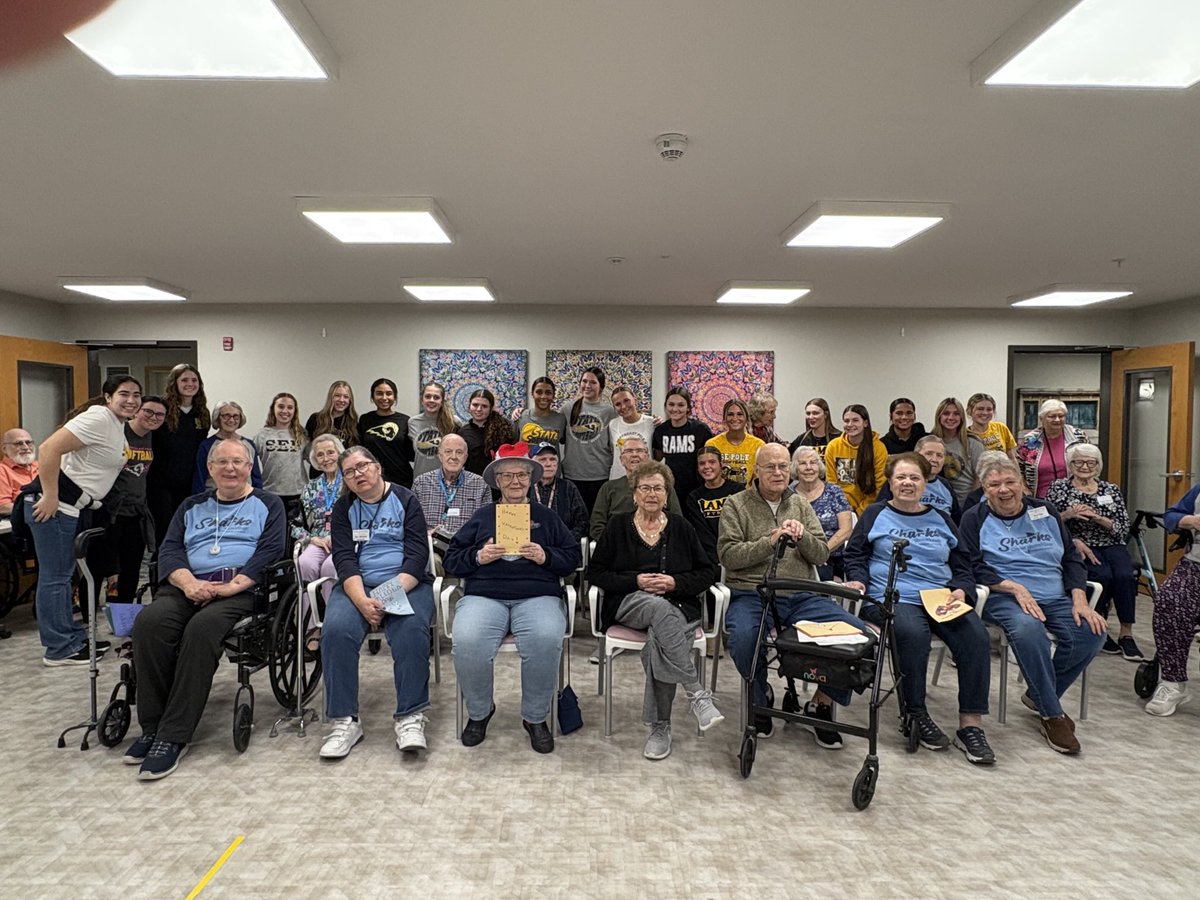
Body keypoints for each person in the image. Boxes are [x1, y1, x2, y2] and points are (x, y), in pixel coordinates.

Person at [126, 438, 286, 779]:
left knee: (202, 630)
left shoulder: (268, 504)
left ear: (249, 468)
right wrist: (189, 584)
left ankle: (174, 736)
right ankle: (152, 726)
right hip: (186, 585)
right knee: (150, 623)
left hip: (240, 590)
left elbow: (270, 552)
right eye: (222, 462)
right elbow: (169, 551)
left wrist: (232, 586)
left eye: (238, 462)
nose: (230, 468)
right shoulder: (191, 506)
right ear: (210, 468)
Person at [844, 453, 995, 765]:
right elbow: (855, 555)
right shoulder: (875, 513)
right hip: (892, 597)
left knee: (976, 638)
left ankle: (970, 726)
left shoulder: (941, 517)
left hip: (940, 597)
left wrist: (961, 588)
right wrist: (858, 581)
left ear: (926, 482)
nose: (907, 483)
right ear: (891, 481)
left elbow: (962, 561)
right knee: (913, 635)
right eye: (901, 478)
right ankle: (915, 712)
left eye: (915, 478)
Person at [718, 443, 867, 746]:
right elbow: (728, 556)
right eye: (770, 466)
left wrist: (802, 538)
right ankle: (760, 700)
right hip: (752, 593)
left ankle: (821, 704)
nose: (778, 472)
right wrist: (769, 542)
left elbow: (822, 554)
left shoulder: (799, 503)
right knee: (745, 639)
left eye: (784, 466)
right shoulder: (735, 504)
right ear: (756, 471)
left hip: (802, 594)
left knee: (857, 634)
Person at [959, 455, 1106, 755]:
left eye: (1010, 482)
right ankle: (1052, 714)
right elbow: (970, 565)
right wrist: (1013, 587)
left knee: (1091, 632)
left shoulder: (1045, 510)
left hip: (1054, 595)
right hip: (1003, 595)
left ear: (1023, 485)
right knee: (1028, 629)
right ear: (984, 490)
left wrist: (1079, 599)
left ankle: (1038, 694)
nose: (1003, 490)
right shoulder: (974, 517)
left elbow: (1069, 558)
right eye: (994, 484)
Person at [443, 443, 582, 754]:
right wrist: (478, 556)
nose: (516, 482)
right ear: (498, 481)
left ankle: (535, 718)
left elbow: (572, 557)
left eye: (522, 475)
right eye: (508, 476)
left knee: (547, 637)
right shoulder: (482, 516)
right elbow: (452, 559)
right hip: (485, 596)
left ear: (531, 479)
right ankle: (479, 712)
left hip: (537, 595)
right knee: (467, 640)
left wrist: (546, 556)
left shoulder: (546, 517)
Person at [588, 459, 721, 760]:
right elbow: (596, 573)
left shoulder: (682, 527)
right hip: (629, 602)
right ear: (634, 493)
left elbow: (705, 573)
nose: (652, 494)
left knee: (657, 645)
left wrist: (674, 582)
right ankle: (696, 693)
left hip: (676, 605)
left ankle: (660, 726)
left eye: (658, 488)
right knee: (658, 609)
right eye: (645, 487)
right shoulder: (618, 525)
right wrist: (634, 580)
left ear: (666, 494)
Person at [318, 446, 436, 759]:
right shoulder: (344, 508)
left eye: (362, 466)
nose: (357, 474)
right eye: (349, 472)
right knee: (336, 631)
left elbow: (417, 556)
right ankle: (345, 720)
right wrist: (360, 600)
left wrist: (384, 597)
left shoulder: (405, 499)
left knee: (411, 631)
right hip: (358, 584)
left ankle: (410, 717)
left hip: (405, 582)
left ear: (377, 466)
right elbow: (343, 558)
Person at [26, 374, 141, 665]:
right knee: (55, 578)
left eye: (136, 395)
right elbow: (49, 448)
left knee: (65, 577)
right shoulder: (99, 418)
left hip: (75, 506)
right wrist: (51, 495)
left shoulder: (116, 426)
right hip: (54, 504)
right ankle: (58, 648)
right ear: (107, 397)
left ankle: (72, 638)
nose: (131, 400)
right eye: (124, 394)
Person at [1046, 444, 1143, 660]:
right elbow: (1047, 522)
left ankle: (1126, 633)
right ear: (1070, 465)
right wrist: (1069, 514)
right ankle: (1098, 624)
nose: (1085, 466)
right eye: (1078, 462)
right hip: (1077, 542)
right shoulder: (1059, 487)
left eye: (1091, 462)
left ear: (1098, 466)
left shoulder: (1110, 489)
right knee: (1101, 576)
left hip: (1110, 541)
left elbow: (1122, 526)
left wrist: (1098, 518)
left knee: (1125, 576)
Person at [86, 395, 166, 606]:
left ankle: (123, 618)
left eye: (159, 414)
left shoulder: (154, 438)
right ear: (137, 410)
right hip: (108, 512)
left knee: (131, 569)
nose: (153, 417)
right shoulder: (117, 432)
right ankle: (89, 623)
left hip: (136, 513)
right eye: (148, 411)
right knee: (98, 567)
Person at [1144, 483, 1200, 716]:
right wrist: (1193, 521)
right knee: (1170, 599)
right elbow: (1171, 516)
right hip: (1195, 564)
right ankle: (1172, 682)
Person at [148, 364, 210, 547]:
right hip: (160, 483)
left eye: (194, 380)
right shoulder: (161, 409)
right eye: (184, 380)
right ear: (174, 383)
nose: (189, 384)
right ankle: (161, 570)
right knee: (165, 530)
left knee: (186, 529)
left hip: (188, 483)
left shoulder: (201, 413)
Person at [590, 436, 682, 541]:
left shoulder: (662, 486)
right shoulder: (608, 488)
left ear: (647, 456)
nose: (634, 454)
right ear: (621, 459)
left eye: (639, 450)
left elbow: (677, 522)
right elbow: (596, 526)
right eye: (628, 451)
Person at [293, 435, 346, 612]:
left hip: (345, 539)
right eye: (320, 455)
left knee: (331, 566)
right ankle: (311, 630)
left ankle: (333, 622)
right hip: (318, 540)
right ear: (315, 460)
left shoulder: (351, 483)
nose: (326, 458)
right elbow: (295, 525)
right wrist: (310, 539)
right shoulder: (311, 488)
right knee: (304, 563)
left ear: (340, 453)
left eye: (331, 452)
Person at [791, 446, 852, 580]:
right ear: (795, 468)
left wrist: (821, 553)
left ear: (819, 467)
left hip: (829, 556)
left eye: (813, 463)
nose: (809, 467)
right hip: (795, 556)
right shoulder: (787, 493)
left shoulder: (834, 492)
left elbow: (846, 530)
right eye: (803, 463)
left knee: (820, 576)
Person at [412, 433, 491, 537]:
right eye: (448, 452)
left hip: (466, 548)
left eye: (459, 452)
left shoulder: (481, 485)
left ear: (466, 457)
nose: (454, 457)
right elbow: (411, 523)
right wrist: (426, 535)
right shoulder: (421, 483)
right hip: (430, 546)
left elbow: (486, 525)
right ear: (440, 456)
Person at [561, 366, 617, 513]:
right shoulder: (567, 409)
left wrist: (654, 420)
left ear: (601, 387)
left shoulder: (609, 412)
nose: (587, 385)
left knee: (596, 517)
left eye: (593, 382)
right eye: (584, 381)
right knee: (574, 517)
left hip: (600, 475)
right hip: (572, 474)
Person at [875, 435, 962, 523]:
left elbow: (956, 520)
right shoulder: (900, 482)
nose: (934, 459)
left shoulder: (945, 485)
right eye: (929, 454)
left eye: (939, 455)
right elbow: (879, 513)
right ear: (916, 455)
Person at [1016, 398, 1088, 499]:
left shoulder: (1078, 437)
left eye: (1061, 416)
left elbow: (1091, 463)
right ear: (1042, 419)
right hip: (1039, 499)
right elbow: (1018, 469)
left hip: (1074, 497)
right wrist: (1024, 490)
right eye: (1052, 416)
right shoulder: (1030, 440)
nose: (1057, 419)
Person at [684, 446, 742, 566]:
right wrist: (716, 558)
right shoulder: (694, 498)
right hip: (711, 559)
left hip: (737, 553)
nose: (707, 467)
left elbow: (744, 525)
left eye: (712, 462)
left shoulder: (738, 490)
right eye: (702, 463)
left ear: (721, 464)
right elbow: (701, 533)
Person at [653, 385, 713, 501]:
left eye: (681, 405)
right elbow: (657, 458)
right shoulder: (660, 431)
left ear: (688, 408)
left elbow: (711, 459)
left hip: (698, 489)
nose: (675, 409)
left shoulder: (701, 430)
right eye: (671, 404)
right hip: (672, 489)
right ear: (665, 406)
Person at [824, 404, 887, 515]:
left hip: (868, 510)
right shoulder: (833, 446)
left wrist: (859, 512)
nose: (850, 424)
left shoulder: (878, 448)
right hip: (839, 509)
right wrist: (842, 510)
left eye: (855, 420)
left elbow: (880, 487)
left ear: (865, 423)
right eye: (846, 421)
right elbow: (831, 484)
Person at [192, 401, 263, 493]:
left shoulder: (249, 445)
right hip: (214, 500)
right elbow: (199, 478)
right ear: (217, 418)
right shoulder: (206, 445)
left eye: (236, 416)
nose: (231, 420)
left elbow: (256, 478)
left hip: (245, 499)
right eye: (226, 416)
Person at [253, 392, 308, 506]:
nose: (285, 411)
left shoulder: (302, 434)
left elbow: (315, 459)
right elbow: (248, 461)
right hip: (270, 492)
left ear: (294, 411)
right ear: (273, 409)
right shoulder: (262, 435)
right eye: (281, 406)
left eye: (290, 407)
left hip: (298, 492)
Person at [359, 377, 415, 488]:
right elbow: (361, 450)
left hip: (401, 480)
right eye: (379, 393)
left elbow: (411, 453)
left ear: (395, 396)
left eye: (389, 393)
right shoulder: (365, 419)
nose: (384, 398)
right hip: (373, 479)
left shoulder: (405, 420)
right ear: (372, 397)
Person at [528, 442, 588, 541]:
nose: (548, 464)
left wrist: (564, 539)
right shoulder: (525, 488)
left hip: (562, 545)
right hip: (531, 545)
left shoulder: (568, 487)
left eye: (552, 459)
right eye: (542, 460)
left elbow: (582, 523)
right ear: (533, 465)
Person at [931, 397, 983, 508]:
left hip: (966, 504)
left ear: (962, 417)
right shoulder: (929, 441)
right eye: (946, 413)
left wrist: (970, 504)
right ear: (939, 416)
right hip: (937, 503)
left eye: (956, 414)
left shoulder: (973, 443)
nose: (951, 417)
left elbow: (979, 478)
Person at [705, 399, 765, 487]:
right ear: (724, 418)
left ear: (747, 418)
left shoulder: (758, 445)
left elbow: (759, 479)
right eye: (730, 414)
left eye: (740, 414)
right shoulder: (712, 444)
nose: (735, 418)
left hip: (747, 497)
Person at [457, 388, 514, 476]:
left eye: (484, 406)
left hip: (498, 482)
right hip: (472, 483)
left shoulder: (503, 429)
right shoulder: (462, 433)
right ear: (469, 406)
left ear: (491, 408)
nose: (479, 409)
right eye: (475, 405)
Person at [409, 381, 460, 479]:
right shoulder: (412, 422)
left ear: (442, 401)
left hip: (448, 480)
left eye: (436, 397)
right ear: (422, 400)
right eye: (428, 396)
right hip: (421, 479)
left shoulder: (454, 422)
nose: (431, 400)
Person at [607, 386, 655, 479]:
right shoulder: (613, 424)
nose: (623, 406)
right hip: (618, 479)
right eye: (618, 404)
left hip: (645, 478)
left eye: (626, 400)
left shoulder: (651, 422)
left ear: (635, 400)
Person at [514, 376, 568, 455]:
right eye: (539, 392)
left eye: (548, 393)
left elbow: (567, 442)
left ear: (553, 396)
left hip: (551, 466)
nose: (543, 396)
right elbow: (512, 445)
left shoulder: (561, 420)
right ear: (532, 394)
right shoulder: (521, 416)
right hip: (527, 466)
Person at [305, 380, 359, 450]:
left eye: (346, 397)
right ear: (330, 397)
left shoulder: (353, 423)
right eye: (337, 396)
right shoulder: (315, 419)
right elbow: (307, 448)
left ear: (350, 400)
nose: (341, 400)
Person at [966, 393, 1017, 461]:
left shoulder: (1001, 428)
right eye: (980, 409)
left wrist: (1017, 471)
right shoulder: (964, 435)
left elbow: (1012, 458)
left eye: (989, 409)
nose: (985, 413)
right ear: (969, 411)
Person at [788, 397, 841, 463]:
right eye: (808, 413)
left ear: (825, 414)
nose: (811, 417)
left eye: (815, 413)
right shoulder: (801, 440)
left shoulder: (839, 438)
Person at [0, 428, 38, 515]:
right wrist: (39, 508)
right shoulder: (2, 471)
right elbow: (3, 506)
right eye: (18, 443)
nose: (25, 447)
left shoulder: (41, 466)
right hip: (19, 521)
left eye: (28, 442)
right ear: (4, 449)